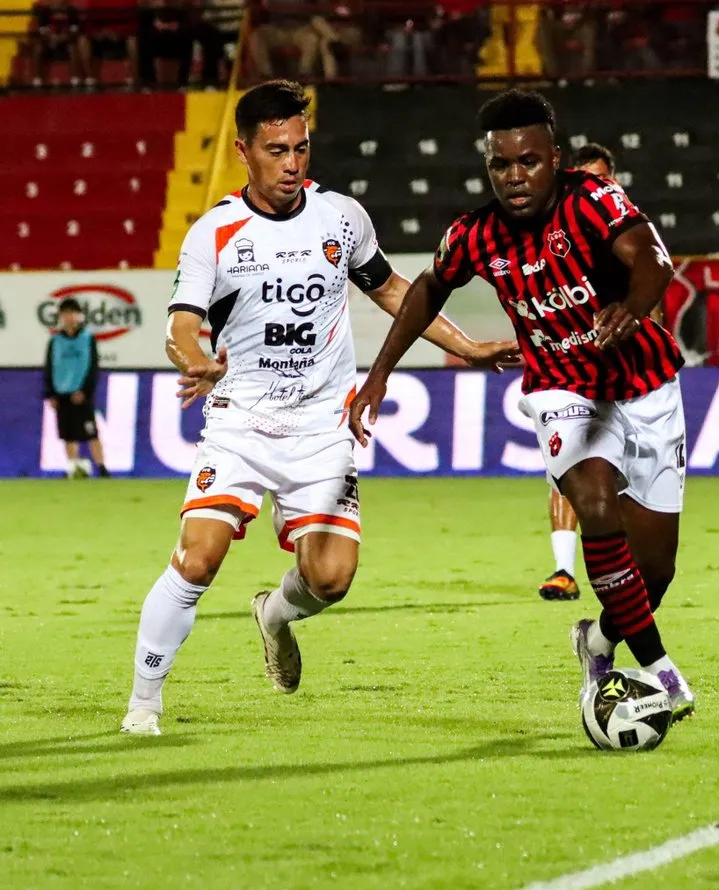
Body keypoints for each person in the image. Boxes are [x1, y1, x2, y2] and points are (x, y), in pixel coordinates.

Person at [119, 80, 518, 736]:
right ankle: (144, 702)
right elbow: (180, 325)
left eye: (301, 147)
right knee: (198, 559)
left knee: (331, 578)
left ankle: (274, 613)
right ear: (244, 152)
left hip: (322, 427)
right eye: (276, 150)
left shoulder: (341, 218)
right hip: (241, 424)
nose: (293, 163)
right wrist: (192, 357)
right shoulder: (214, 234)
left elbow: (391, 288)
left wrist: (466, 347)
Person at [349, 90, 695, 720]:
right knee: (591, 499)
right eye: (501, 164)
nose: (514, 176)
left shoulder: (593, 202)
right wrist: (379, 373)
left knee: (656, 571)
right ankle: (662, 672)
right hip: (562, 388)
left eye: (528, 162)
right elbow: (427, 289)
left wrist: (634, 305)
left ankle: (598, 639)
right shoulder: (475, 234)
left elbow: (651, 259)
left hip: (648, 389)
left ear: (555, 158)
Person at [538, 141, 618, 602]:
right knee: (568, 467)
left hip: (627, 377)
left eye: (599, 180)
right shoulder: (554, 239)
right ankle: (564, 571)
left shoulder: (631, 236)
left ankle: (622, 574)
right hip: (569, 372)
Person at [43, 298, 110, 479]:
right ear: (61, 317)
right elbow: (49, 366)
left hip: (81, 393)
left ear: (79, 316)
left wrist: (86, 391)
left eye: (73, 313)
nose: (69, 317)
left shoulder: (87, 338)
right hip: (61, 393)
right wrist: (50, 393)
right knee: (68, 434)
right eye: (66, 314)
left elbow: (93, 366)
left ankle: (102, 469)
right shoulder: (55, 341)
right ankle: (73, 467)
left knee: (91, 432)